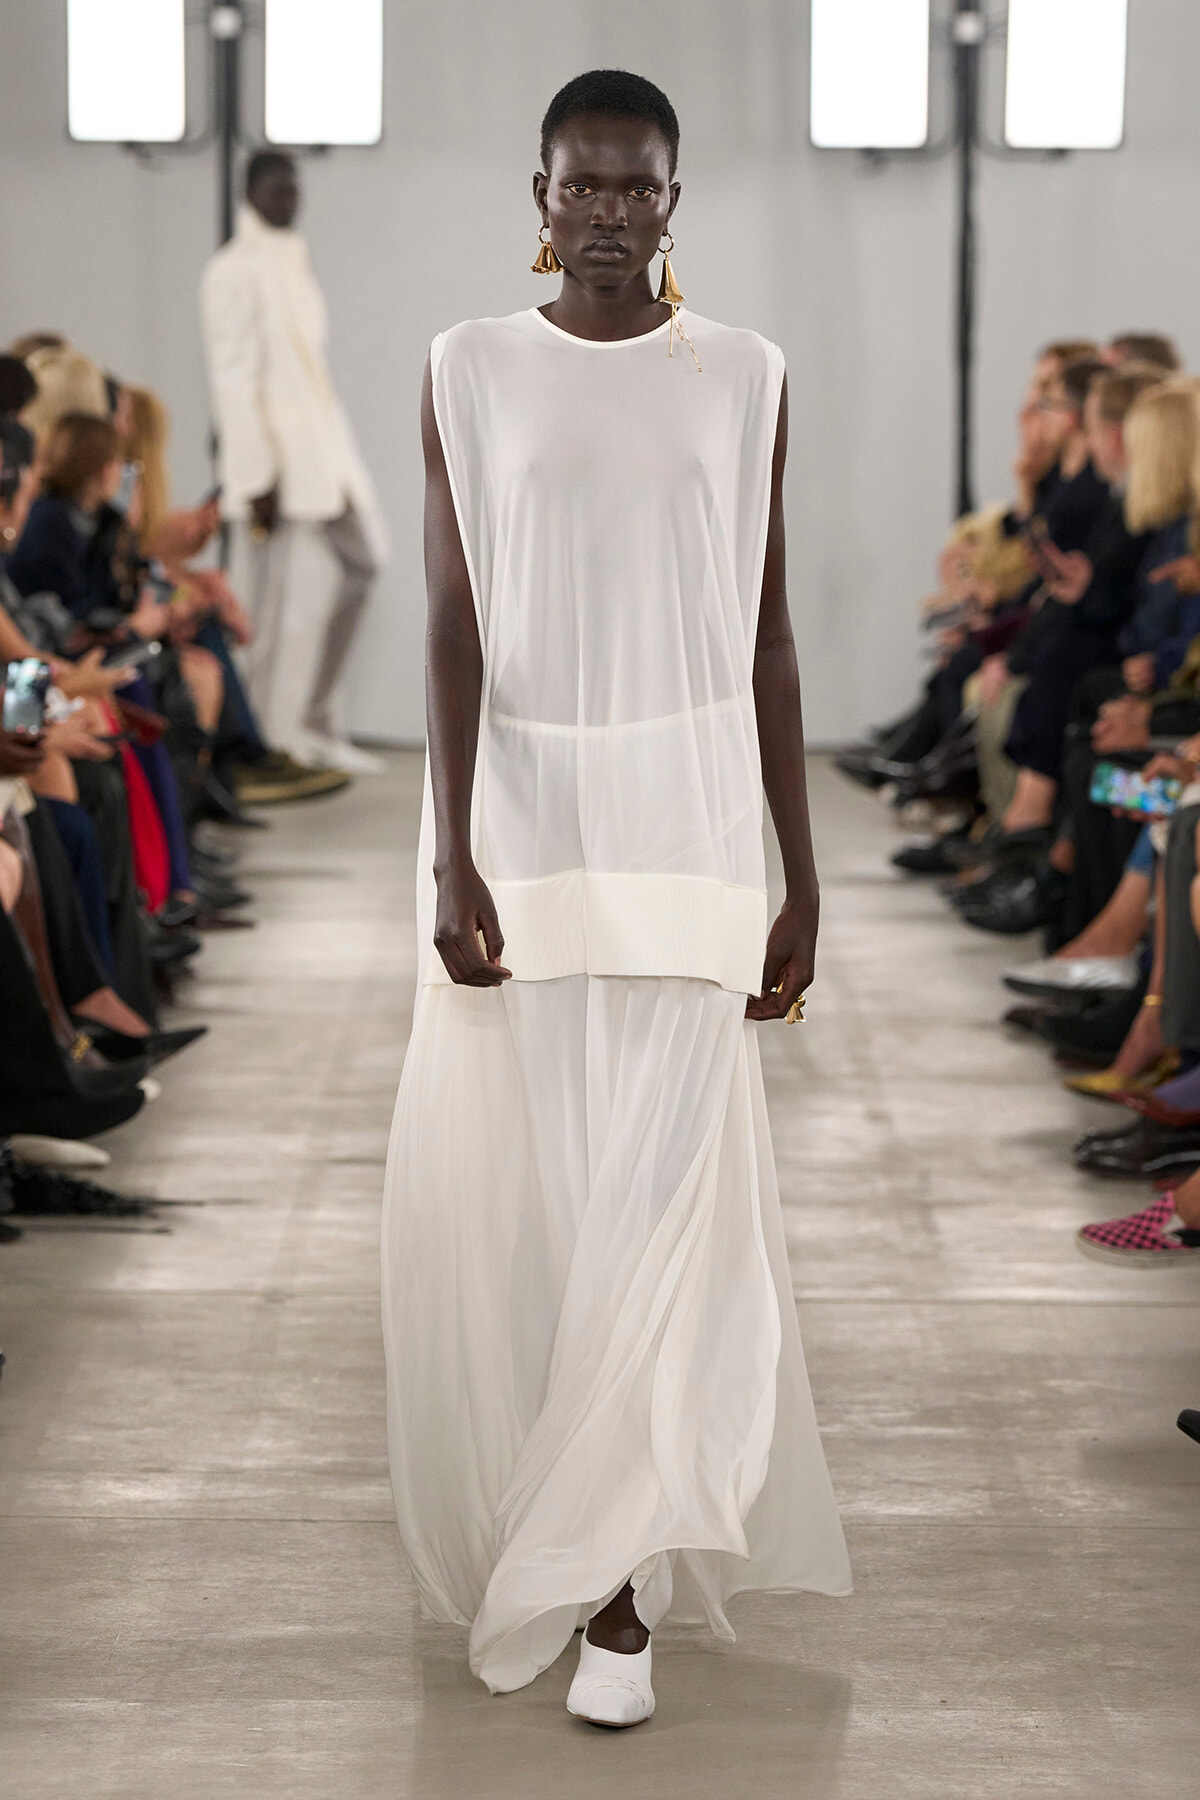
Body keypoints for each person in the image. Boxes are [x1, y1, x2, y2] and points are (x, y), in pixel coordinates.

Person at [381, 69, 849, 1729]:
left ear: (674, 201)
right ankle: (585, 1539)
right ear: (538, 191)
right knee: (547, 1204)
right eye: (581, 187)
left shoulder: (748, 374)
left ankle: (625, 1595)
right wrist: (453, 847)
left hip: (696, 813)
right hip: (526, 808)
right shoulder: (467, 364)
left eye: (636, 190)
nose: (606, 214)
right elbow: (450, 618)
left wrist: (801, 868)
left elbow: (768, 630)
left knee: (669, 1199)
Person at [199, 150, 387, 776]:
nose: (290, 198)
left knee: (363, 564)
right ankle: (256, 741)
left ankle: (308, 721)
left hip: (324, 455)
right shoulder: (232, 271)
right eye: (278, 187)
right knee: (266, 608)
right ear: (250, 190)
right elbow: (234, 380)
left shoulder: (291, 259)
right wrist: (255, 475)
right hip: (275, 470)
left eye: (295, 187)